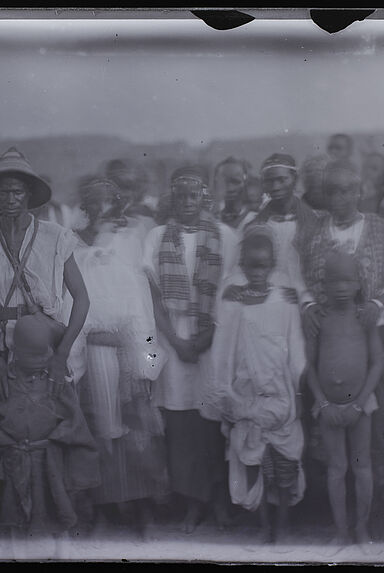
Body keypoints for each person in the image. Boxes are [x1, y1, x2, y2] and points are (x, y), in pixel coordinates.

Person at [300, 159, 384, 540]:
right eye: (332, 190)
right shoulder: (312, 232)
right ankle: (332, 520)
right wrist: (306, 304)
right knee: (327, 449)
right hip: (327, 341)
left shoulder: (382, 231)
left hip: (370, 348)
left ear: (360, 191)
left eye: (348, 189)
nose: (340, 197)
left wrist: (379, 304)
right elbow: (293, 272)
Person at [143, 165, 239, 533]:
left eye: (193, 194)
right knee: (179, 426)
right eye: (179, 194)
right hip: (171, 344)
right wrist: (175, 340)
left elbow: (227, 295)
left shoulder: (226, 237)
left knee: (211, 423)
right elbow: (150, 294)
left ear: (204, 196)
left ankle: (215, 502)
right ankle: (188, 504)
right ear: (171, 196)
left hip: (211, 342)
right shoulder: (155, 237)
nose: (186, 201)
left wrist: (203, 340)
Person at [71, 175, 168, 537]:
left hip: (126, 350)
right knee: (97, 430)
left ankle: (140, 511)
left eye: (108, 202)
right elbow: (69, 309)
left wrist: (144, 364)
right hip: (89, 351)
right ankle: (101, 507)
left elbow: (140, 308)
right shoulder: (73, 249)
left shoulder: (129, 243)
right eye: (93, 203)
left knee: (134, 431)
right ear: (84, 208)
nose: (102, 210)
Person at [0, 147, 90, 421]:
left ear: (29, 194)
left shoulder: (55, 236)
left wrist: (61, 355)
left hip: (42, 346)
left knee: (45, 423)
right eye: (4, 192)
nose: (10, 199)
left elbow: (81, 298)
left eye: (17, 191)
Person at [207, 226, 306, 544]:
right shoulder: (233, 302)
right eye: (252, 265)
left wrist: (298, 394)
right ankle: (264, 525)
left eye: (264, 265)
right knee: (254, 461)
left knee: (284, 464)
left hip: (281, 396)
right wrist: (226, 398)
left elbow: (296, 352)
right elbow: (223, 353)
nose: (258, 272)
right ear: (243, 266)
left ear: (273, 265)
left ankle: (284, 523)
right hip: (246, 397)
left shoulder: (285, 302)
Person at [0, 315, 100, 544]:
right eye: (30, 357)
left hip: (51, 462)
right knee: (17, 518)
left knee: (54, 513)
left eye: (41, 356)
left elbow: (75, 422)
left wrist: (56, 438)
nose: (37, 363)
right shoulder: (1, 382)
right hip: (14, 461)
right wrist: (6, 442)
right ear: (15, 351)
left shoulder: (58, 380)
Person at [305, 250, 384, 545]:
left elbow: (376, 362)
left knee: (362, 466)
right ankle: (340, 531)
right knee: (336, 467)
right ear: (322, 285)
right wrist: (323, 403)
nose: (340, 288)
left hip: (360, 406)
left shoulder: (365, 318)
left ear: (357, 284)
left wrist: (360, 403)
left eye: (347, 281)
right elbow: (310, 366)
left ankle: (362, 528)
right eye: (333, 281)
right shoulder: (319, 320)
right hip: (327, 407)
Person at [247, 153, 319, 316]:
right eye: (269, 181)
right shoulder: (255, 226)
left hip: (305, 303)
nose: (276, 186)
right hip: (265, 303)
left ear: (294, 179)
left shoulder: (314, 223)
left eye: (282, 179)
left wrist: (303, 295)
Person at [212, 157, 256, 232]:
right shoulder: (208, 219)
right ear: (216, 183)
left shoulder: (254, 219)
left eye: (236, 182)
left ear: (245, 183)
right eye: (224, 182)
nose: (230, 188)